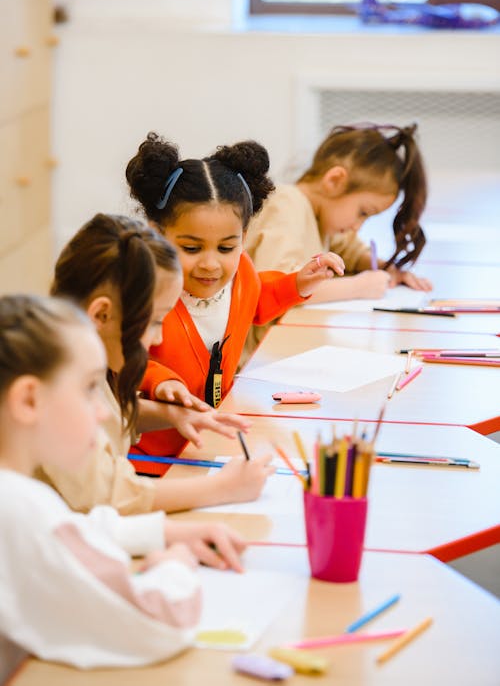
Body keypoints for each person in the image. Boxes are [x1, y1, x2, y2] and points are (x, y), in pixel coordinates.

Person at [0, 294, 205, 677]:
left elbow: (66, 534)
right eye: (89, 388)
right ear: (28, 399)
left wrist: (162, 531)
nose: (100, 411)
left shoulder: (18, 496)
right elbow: (160, 622)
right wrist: (174, 566)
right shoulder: (18, 505)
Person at [125, 133, 345, 470]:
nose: (212, 264)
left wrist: (299, 282)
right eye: (192, 248)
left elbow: (256, 302)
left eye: (227, 247)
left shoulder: (240, 270)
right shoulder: (144, 287)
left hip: (212, 445)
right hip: (150, 461)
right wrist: (159, 380)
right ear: (156, 233)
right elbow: (122, 355)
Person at [41, 213, 274, 511]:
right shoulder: (58, 385)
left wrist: (174, 416)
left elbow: (109, 419)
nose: (159, 338)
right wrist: (222, 487)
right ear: (101, 315)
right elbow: (107, 496)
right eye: (154, 322)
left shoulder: (76, 357)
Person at [243, 123, 433, 358]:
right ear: (334, 180)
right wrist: (357, 287)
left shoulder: (322, 217)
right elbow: (279, 285)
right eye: (363, 212)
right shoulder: (288, 203)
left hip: (274, 350)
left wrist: (385, 268)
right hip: (250, 360)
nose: (358, 226)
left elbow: (349, 250)